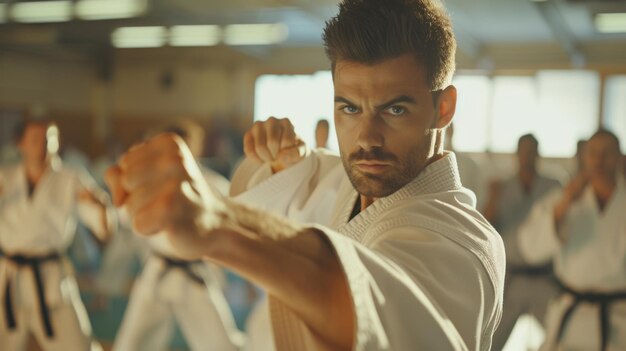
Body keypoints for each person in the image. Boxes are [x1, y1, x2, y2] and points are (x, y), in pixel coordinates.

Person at [105, 0, 505, 349]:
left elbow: (376, 313)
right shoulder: (347, 180)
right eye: (349, 108)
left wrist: (219, 223)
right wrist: (280, 161)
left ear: (444, 108)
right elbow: (296, 189)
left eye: (395, 110)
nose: (366, 138)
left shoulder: (461, 246)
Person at [112, 121, 242, 351]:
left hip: (195, 272)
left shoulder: (213, 185)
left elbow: (234, 222)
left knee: (221, 345)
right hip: (158, 271)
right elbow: (123, 217)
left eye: (188, 146)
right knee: (130, 344)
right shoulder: (147, 186)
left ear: (197, 149)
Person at [0, 119, 115, 351]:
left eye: (48, 140)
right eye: (34, 140)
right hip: (8, 279)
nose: (42, 146)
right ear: (20, 144)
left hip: (52, 279)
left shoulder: (71, 178)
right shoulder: (5, 177)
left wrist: (101, 206)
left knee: (78, 346)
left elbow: (102, 228)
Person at [517, 130, 626, 351]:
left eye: (607, 153)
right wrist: (564, 205)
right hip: (570, 321)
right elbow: (530, 248)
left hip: (619, 319)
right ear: (585, 157)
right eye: (593, 153)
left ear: (620, 158)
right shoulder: (563, 198)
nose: (599, 160)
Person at [484, 134, 562, 350]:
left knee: (560, 336)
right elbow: (484, 227)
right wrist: (493, 198)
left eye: (532, 151)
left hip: (544, 277)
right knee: (490, 340)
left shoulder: (553, 186)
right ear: (516, 155)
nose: (527, 156)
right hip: (511, 277)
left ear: (538, 154)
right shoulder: (502, 186)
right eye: (524, 151)